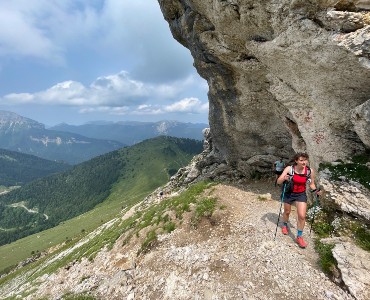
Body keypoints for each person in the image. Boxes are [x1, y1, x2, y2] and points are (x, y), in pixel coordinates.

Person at [276, 152, 322, 248]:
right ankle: (284, 224)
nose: (304, 162)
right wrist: (284, 178)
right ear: (296, 161)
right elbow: (279, 181)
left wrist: (315, 191)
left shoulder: (309, 171)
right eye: (301, 160)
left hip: (301, 194)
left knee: (301, 216)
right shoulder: (290, 169)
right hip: (289, 193)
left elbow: (312, 184)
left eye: (305, 160)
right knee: (287, 212)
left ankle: (299, 237)